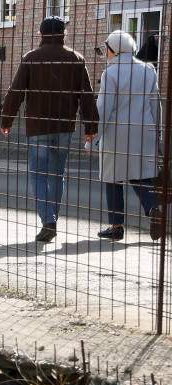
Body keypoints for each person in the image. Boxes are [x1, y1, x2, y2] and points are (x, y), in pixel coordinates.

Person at [0, 17, 99, 243]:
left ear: (41, 34)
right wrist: (91, 126)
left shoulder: (31, 58)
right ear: (63, 34)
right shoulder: (76, 59)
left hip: (38, 127)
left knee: (38, 175)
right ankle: (51, 219)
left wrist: (7, 120)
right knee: (57, 175)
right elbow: (86, 96)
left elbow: (16, 92)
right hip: (64, 127)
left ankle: (48, 222)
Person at [95, 30, 163, 241]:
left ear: (114, 50)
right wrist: (157, 132)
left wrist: (94, 136)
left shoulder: (111, 73)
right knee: (140, 175)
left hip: (117, 134)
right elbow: (155, 105)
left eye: (105, 48)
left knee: (112, 177)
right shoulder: (148, 70)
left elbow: (104, 109)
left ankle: (116, 226)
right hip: (144, 130)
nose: (104, 52)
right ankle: (153, 210)